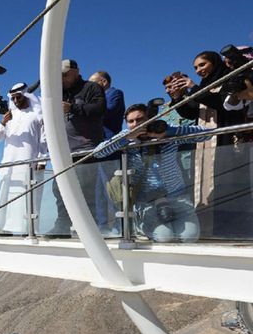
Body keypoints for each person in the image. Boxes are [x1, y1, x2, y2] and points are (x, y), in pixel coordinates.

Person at [92, 103, 209, 242]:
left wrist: (168, 132)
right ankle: (139, 225)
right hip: (147, 202)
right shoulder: (127, 138)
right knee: (165, 237)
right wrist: (126, 138)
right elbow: (98, 152)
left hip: (177, 198)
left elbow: (206, 133)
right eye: (131, 121)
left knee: (189, 237)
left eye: (140, 119)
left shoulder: (165, 132)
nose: (135, 124)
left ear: (150, 119)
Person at [166, 50, 247, 238]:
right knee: (204, 185)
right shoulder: (204, 85)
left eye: (202, 65)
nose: (198, 70)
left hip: (226, 140)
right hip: (205, 142)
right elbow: (192, 113)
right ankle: (209, 230)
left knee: (226, 184)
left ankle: (232, 231)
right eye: (195, 67)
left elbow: (222, 104)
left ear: (215, 62)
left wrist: (194, 88)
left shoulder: (228, 79)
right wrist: (178, 97)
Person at [49, 59, 106, 236]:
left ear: (76, 71)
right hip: (64, 151)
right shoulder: (59, 91)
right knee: (59, 189)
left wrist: (73, 107)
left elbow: (100, 109)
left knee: (86, 190)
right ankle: (63, 225)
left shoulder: (91, 88)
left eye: (65, 75)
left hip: (86, 148)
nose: (62, 78)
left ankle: (90, 228)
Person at [0, 82, 47, 235]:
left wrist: (42, 160)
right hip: (9, 162)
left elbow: (44, 140)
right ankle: (3, 228)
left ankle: (28, 229)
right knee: (6, 194)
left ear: (26, 96)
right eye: (13, 98)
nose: (16, 101)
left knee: (29, 196)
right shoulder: (11, 115)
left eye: (19, 98)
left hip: (29, 162)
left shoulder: (37, 114)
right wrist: (3, 123)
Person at [89, 71, 126, 236]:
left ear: (103, 82)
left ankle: (120, 226)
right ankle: (103, 226)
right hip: (98, 148)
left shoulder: (114, 94)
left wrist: (87, 108)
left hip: (111, 146)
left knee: (112, 189)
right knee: (99, 191)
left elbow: (106, 112)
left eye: (93, 83)